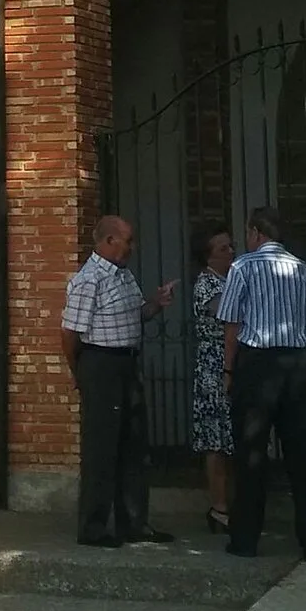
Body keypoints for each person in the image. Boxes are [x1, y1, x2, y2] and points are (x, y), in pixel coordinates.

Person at [218, 205, 306, 562]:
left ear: (255, 232)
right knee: (303, 457)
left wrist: (228, 371)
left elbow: (232, 326)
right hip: (298, 364)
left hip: (258, 365)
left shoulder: (243, 267)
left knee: (251, 453)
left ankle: (245, 539)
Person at [60, 213, 177, 548]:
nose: (132, 247)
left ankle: (134, 522)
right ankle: (93, 527)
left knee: (134, 446)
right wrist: (80, 373)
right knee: (102, 449)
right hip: (102, 364)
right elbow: (70, 333)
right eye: (128, 240)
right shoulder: (89, 279)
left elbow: (135, 314)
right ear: (109, 241)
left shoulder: (123, 276)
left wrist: (157, 303)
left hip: (127, 363)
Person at [190, 227, 236, 533]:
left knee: (230, 437)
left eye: (230, 246)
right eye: (223, 249)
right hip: (214, 367)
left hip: (230, 361)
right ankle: (219, 506)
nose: (231, 252)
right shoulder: (207, 284)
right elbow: (229, 317)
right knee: (216, 439)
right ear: (209, 256)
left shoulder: (228, 280)